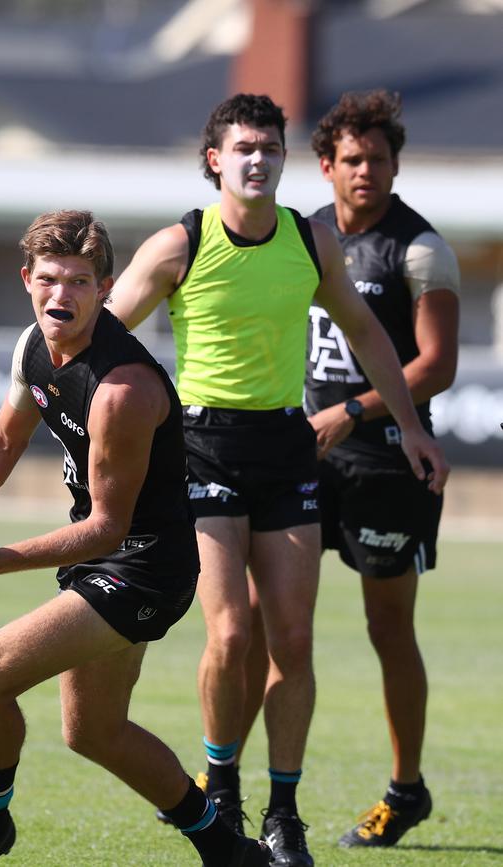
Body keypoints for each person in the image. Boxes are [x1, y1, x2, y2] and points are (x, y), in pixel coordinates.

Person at [109, 93, 449, 867]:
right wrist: (83, 411)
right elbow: (105, 334)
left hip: (285, 445)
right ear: (215, 161)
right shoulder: (179, 244)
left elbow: (367, 335)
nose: (257, 159)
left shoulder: (311, 240)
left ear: (285, 160)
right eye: (243, 148)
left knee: (292, 639)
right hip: (202, 445)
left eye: (269, 147)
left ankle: (283, 812)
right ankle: (219, 789)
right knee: (231, 631)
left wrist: (414, 427)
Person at [0, 210, 273, 867]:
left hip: (145, 565)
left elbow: (107, 525)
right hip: (105, 557)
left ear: (105, 287)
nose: (60, 294)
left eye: (78, 282)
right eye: (49, 279)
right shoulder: (33, 347)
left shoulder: (122, 389)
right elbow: (4, 439)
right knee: (94, 731)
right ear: (26, 279)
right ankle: (229, 851)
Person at [306, 89, 460, 848]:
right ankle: (236, 781)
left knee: (387, 627)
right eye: (353, 158)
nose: (368, 170)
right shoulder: (297, 240)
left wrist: (354, 412)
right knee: (268, 619)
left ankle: (406, 791)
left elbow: (436, 366)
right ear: (327, 165)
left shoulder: (420, 248)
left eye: (381, 158)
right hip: (301, 464)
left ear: (397, 164)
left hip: (386, 466)